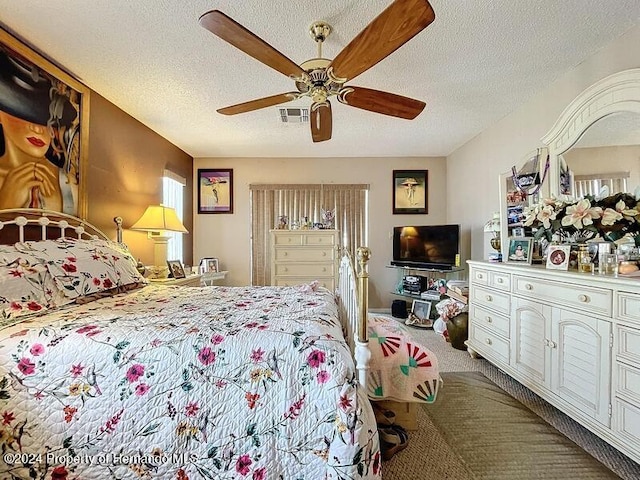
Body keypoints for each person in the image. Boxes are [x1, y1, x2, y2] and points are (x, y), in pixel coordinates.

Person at [0, 48, 78, 212]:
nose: (36, 128)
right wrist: (6, 205)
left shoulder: (65, 181)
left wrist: (55, 209)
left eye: (44, 120)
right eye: (22, 113)